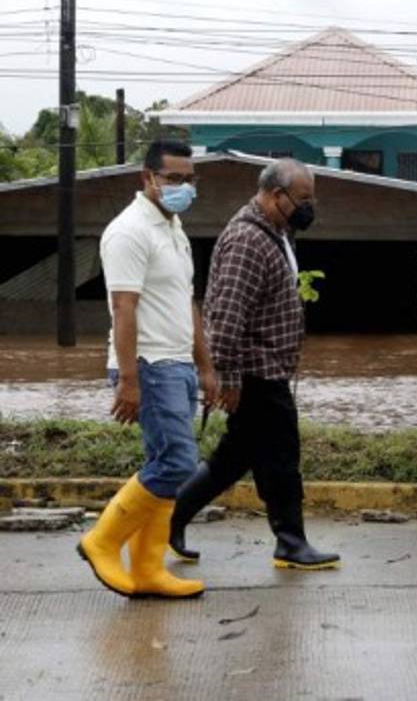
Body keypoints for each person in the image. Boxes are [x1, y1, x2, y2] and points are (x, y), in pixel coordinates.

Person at [169, 158, 340, 570]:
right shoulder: (248, 239)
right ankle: (291, 542)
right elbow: (225, 316)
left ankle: (169, 518)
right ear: (276, 195)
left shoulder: (277, 232)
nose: (308, 207)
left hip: (265, 369)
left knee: (236, 456)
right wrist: (225, 377)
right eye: (302, 199)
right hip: (254, 372)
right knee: (281, 456)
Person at [78, 138, 217, 599]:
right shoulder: (128, 231)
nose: (183, 187)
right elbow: (123, 307)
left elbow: (187, 302)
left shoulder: (172, 228)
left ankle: (147, 569)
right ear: (148, 178)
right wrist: (129, 379)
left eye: (189, 179)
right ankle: (102, 541)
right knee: (178, 463)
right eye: (173, 179)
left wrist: (206, 365)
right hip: (149, 365)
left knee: (168, 467)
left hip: (176, 364)